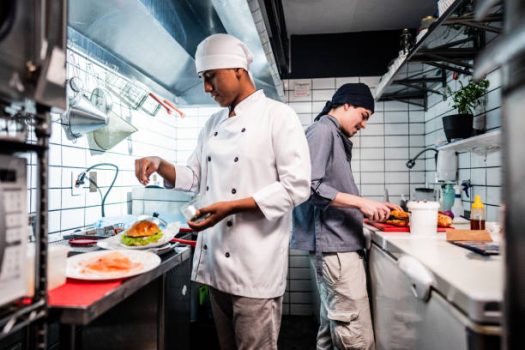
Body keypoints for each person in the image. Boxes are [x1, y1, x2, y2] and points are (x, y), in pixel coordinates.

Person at [135, 33, 311, 350]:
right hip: (215, 264)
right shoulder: (212, 123)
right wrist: (160, 163)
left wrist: (231, 206)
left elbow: (297, 186)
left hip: (256, 268)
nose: (206, 88)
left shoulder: (278, 116)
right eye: (203, 79)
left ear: (237, 70)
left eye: (210, 77)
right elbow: (193, 176)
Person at [292, 83, 401, 350]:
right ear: (346, 105)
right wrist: (361, 203)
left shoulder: (333, 135)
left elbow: (330, 193)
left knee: (332, 331)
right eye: (364, 115)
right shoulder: (322, 131)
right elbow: (309, 186)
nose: (363, 124)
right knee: (356, 337)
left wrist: (366, 209)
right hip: (335, 251)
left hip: (337, 247)